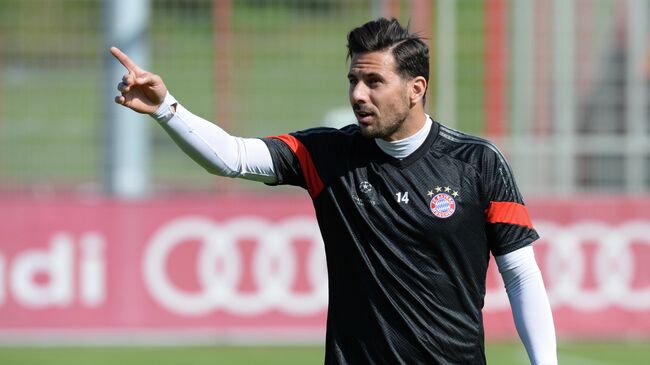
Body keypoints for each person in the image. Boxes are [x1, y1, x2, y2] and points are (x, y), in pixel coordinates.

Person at [111, 18, 557, 365]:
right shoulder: (326, 154)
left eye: (374, 82)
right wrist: (166, 110)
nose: (358, 94)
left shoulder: (477, 162)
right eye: (353, 81)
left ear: (416, 89)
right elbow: (232, 157)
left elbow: (520, 274)